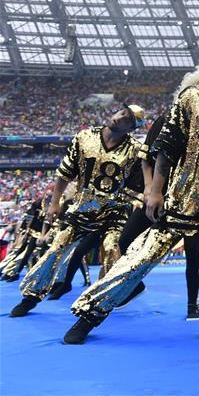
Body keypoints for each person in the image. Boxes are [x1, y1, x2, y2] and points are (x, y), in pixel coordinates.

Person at [62, 47, 199, 344]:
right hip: (183, 197)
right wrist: (156, 190)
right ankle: (91, 313)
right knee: (141, 255)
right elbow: (167, 149)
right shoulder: (192, 97)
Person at [9, 105, 145, 317]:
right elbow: (65, 172)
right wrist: (55, 203)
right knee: (56, 249)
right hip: (81, 209)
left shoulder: (135, 150)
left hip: (114, 212)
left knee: (111, 249)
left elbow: (141, 183)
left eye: (126, 119)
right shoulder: (84, 137)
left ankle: (103, 303)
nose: (119, 117)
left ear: (131, 128)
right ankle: (31, 296)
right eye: (120, 112)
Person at [114, 67, 199, 318]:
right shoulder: (166, 119)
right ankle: (134, 285)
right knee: (125, 239)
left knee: (193, 253)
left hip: (191, 197)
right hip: (159, 193)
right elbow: (146, 158)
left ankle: (193, 306)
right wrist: (151, 190)